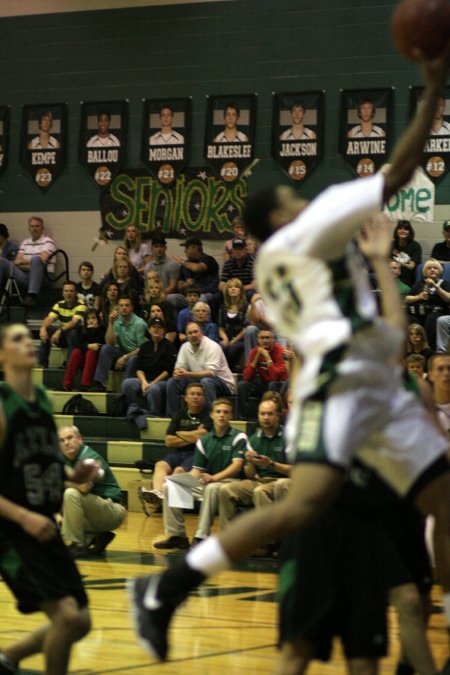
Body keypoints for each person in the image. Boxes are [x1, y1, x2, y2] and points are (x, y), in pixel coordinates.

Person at [128, 48, 450, 668]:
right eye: (291, 194)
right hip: (348, 380)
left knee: (436, 500)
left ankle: (167, 588)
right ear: (280, 213)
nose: (303, 197)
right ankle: (166, 588)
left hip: (370, 379)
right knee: (305, 505)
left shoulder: (277, 267)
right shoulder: (311, 229)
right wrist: (433, 87)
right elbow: (400, 167)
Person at [0, 323, 102, 675]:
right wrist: (24, 517)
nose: (27, 342)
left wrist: (74, 476)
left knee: (82, 621)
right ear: (2, 356)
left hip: (44, 526)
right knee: (67, 616)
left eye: (28, 337)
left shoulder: (42, 400)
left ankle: (8, 656)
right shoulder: (2, 404)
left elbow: (46, 460)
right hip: (12, 530)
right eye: (16, 339)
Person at [153, 398, 246, 550]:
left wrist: (214, 478)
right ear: (212, 415)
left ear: (231, 416)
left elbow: (236, 466)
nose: (221, 415)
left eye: (225, 412)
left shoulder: (238, 437)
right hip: (210, 480)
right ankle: (177, 535)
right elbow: (197, 469)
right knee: (171, 486)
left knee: (211, 487)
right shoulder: (205, 440)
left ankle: (201, 536)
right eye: (218, 412)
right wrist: (183, 481)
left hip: (232, 482)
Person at [219, 398, 291, 556]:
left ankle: (267, 543)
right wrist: (250, 462)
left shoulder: (288, 436)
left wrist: (271, 464)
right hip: (259, 480)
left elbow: (295, 470)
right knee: (226, 489)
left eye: (270, 414)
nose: (266, 417)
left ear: (278, 416)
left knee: (260, 492)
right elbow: (250, 475)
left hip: (282, 481)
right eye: (262, 414)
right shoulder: (254, 439)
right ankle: (230, 540)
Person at [140, 382, 212, 513]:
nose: (195, 397)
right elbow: (168, 441)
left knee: (178, 471)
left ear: (203, 398)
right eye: (192, 394)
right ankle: (158, 495)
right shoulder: (179, 414)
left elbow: (201, 437)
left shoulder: (208, 415)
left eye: (199, 394)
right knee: (160, 465)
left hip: (196, 454)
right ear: (185, 398)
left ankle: (166, 505)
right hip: (177, 453)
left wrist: (180, 433)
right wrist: (193, 434)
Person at [59, 425, 126, 558]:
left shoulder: (88, 458)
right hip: (94, 510)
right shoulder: (65, 460)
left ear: (79, 439)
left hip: (112, 510)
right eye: (62, 440)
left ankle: (77, 545)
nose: (66, 443)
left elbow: (84, 487)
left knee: (70, 493)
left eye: (70, 438)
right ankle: (98, 537)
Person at [165, 321, 235, 416]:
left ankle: (208, 419)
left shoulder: (213, 346)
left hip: (222, 383)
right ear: (186, 335)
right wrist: (178, 373)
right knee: (172, 382)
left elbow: (211, 373)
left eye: (195, 332)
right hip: (196, 380)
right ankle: (173, 417)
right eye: (190, 333)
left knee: (206, 382)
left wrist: (187, 374)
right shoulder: (184, 347)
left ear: (201, 333)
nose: (193, 335)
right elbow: (179, 367)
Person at [121, 317, 176, 429]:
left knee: (153, 389)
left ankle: (153, 415)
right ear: (149, 329)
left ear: (163, 330)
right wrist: (144, 382)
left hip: (162, 381)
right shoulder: (145, 346)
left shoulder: (169, 346)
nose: (156, 330)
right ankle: (136, 408)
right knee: (127, 383)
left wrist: (152, 383)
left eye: (159, 327)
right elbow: (139, 368)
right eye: (153, 327)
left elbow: (169, 370)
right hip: (146, 380)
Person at [90, 296, 147, 392]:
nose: (124, 307)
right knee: (106, 348)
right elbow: (109, 342)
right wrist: (111, 323)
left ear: (132, 308)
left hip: (135, 355)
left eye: (127, 305)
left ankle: (125, 390)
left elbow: (142, 348)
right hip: (121, 352)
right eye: (121, 305)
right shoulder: (117, 320)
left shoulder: (139, 324)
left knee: (133, 359)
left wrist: (124, 358)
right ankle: (100, 383)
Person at [0, 216, 56, 308]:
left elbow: (41, 260)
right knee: (1, 260)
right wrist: (33, 267)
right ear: (29, 228)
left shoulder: (48, 242)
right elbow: (17, 261)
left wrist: (29, 264)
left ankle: (32, 297)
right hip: (24, 275)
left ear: (42, 228)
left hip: (44, 277)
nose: (34, 229)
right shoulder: (25, 242)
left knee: (36, 259)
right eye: (32, 226)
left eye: (37, 226)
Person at [236, 329, 288, 420]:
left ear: (273, 339)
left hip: (279, 384)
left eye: (267, 338)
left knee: (273, 384)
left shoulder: (280, 351)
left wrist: (267, 357)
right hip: (263, 383)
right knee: (242, 385)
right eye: (262, 338)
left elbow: (275, 377)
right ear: (258, 340)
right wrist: (256, 358)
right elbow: (247, 377)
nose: (265, 340)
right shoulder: (255, 351)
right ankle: (241, 417)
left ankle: (269, 414)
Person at [38, 281, 86, 369]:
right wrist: (43, 328)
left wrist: (59, 331)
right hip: (64, 335)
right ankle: (42, 364)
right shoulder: (59, 304)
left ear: (76, 293)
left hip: (78, 338)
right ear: (62, 293)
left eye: (71, 291)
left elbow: (73, 322)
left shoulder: (81, 305)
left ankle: (70, 365)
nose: (69, 294)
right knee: (47, 330)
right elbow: (49, 319)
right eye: (66, 291)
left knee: (73, 332)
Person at [405, 258, 450, 349]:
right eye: (429, 268)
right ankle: (413, 348)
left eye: (435, 268)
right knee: (410, 318)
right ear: (425, 271)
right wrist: (418, 297)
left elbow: (448, 298)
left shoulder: (444, 283)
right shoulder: (419, 283)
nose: (432, 269)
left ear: (439, 271)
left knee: (431, 318)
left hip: (435, 312)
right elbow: (407, 299)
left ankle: (429, 348)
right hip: (419, 312)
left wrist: (435, 286)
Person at [62, 309, 106, 392]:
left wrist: (95, 330)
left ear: (98, 319)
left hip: (96, 358)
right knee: (76, 352)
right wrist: (88, 345)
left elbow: (99, 345)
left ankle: (85, 384)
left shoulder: (102, 329)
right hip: (83, 357)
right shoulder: (82, 329)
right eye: (88, 318)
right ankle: (67, 385)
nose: (91, 321)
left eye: (93, 318)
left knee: (91, 352)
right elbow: (77, 344)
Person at [174, 237, 219, 306]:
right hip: (189, 295)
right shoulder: (185, 265)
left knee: (201, 299)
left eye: (187, 248)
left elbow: (197, 268)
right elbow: (179, 286)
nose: (185, 251)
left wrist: (182, 262)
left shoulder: (209, 260)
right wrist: (187, 283)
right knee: (171, 298)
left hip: (206, 293)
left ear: (195, 248)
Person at [218, 277, 249, 371]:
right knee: (220, 346)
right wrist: (225, 338)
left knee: (232, 348)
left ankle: (230, 370)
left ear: (241, 290)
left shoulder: (246, 306)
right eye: (230, 287)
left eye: (236, 287)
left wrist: (234, 340)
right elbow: (221, 328)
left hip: (241, 339)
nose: (233, 289)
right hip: (228, 338)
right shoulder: (223, 307)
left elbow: (246, 328)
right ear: (227, 291)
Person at [391, 220, 422, 288]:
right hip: (393, 272)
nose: (403, 231)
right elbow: (387, 261)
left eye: (406, 229)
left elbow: (411, 266)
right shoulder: (391, 244)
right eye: (400, 229)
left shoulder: (415, 245)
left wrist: (399, 260)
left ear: (409, 232)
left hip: (408, 274)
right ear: (396, 231)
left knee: (404, 269)